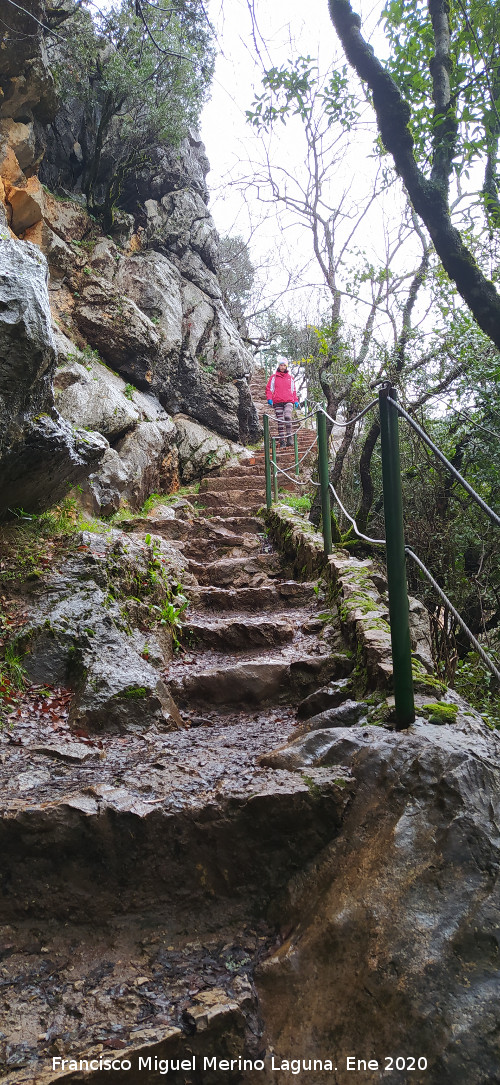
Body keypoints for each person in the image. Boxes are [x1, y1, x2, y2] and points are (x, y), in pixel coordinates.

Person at [265, 361, 299, 447]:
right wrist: (269, 398)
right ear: (278, 366)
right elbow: (269, 389)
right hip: (277, 402)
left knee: (287, 416)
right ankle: (282, 440)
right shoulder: (273, 377)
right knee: (280, 421)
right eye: (281, 365)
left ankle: (289, 438)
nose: (282, 367)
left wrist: (296, 400)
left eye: (284, 365)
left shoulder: (290, 378)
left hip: (289, 401)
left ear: (286, 367)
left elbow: (293, 390)